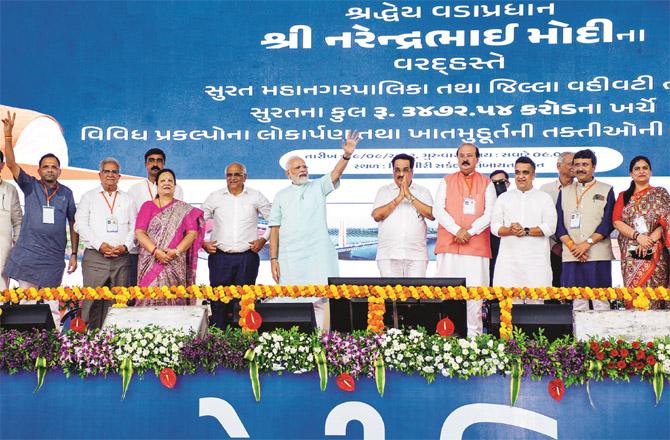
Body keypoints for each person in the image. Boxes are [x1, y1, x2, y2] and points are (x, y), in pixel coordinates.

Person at [268, 131, 361, 330]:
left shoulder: (318, 186)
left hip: (318, 254)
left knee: (321, 299)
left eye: (304, 166)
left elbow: (335, 174)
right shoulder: (281, 195)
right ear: (288, 173)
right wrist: (273, 260)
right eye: (297, 167)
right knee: (292, 299)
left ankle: (323, 344)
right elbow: (274, 229)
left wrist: (346, 155)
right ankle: (294, 344)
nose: (303, 170)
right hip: (290, 257)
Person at [2, 111, 78, 326]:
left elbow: (74, 223)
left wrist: (73, 253)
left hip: (52, 260)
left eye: (54, 167)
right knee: (27, 304)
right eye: (46, 166)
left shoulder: (67, 193)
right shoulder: (30, 186)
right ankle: (26, 348)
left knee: (52, 305)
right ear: (39, 170)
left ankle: (51, 348)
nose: (50, 170)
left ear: (59, 171)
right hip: (28, 256)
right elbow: (11, 164)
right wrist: (8, 137)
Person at [433, 143, 496, 337]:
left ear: (477, 159)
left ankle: (475, 341)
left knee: (475, 298)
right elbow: (438, 210)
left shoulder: (487, 183)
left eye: (469, 155)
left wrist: (470, 231)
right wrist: (456, 230)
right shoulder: (446, 181)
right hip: (449, 245)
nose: (465, 159)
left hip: (476, 247)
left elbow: (490, 213)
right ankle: (447, 339)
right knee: (447, 295)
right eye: (461, 155)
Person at [202, 163, 272, 328]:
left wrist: (263, 240)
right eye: (229, 175)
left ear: (244, 177)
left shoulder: (256, 196)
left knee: (245, 303)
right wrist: (202, 243)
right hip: (219, 258)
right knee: (218, 303)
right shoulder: (215, 197)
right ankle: (219, 344)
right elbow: (197, 222)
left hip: (247, 258)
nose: (232, 178)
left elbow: (274, 220)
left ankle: (244, 344)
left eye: (237, 174)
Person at [75, 158, 137, 327]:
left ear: (119, 176)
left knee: (119, 302)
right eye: (107, 171)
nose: (110, 175)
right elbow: (80, 224)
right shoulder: (88, 197)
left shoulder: (128, 199)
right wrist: (100, 245)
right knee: (91, 301)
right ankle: (91, 344)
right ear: (100, 175)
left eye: (114, 172)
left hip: (121, 258)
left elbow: (135, 226)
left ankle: (117, 342)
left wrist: (125, 246)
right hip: (95, 257)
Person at [556, 149, 615, 311]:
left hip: (597, 254)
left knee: (600, 300)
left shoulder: (606, 189)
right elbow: (559, 224)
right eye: (577, 165)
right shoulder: (564, 191)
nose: (580, 168)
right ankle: (579, 337)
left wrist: (586, 244)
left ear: (593, 167)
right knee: (577, 301)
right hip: (572, 254)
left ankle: (603, 336)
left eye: (585, 165)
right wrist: (574, 247)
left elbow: (608, 223)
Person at [134, 169, 204, 304]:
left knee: (174, 298)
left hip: (175, 261)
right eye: (162, 180)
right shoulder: (147, 206)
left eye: (170, 180)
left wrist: (176, 251)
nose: (166, 183)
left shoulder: (184, 209)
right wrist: (155, 251)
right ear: (156, 185)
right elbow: (139, 232)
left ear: (175, 186)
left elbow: (192, 233)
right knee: (148, 298)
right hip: (150, 260)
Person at [491, 157, 557, 301]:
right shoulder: (504, 198)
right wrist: (510, 230)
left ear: (533, 175)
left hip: (536, 262)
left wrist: (525, 231)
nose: (521, 176)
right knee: (508, 308)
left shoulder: (544, 198)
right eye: (517, 172)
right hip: (509, 263)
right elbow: (494, 227)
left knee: (536, 308)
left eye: (525, 172)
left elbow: (550, 227)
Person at [613, 156, 669, 308]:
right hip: (632, 250)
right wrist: (638, 237)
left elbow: (666, 221)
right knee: (635, 292)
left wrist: (649, 240)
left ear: (650, 172)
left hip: (655, 248)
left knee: (656, 292)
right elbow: (617, 221)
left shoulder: (660, 193)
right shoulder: (623, 196)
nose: (641, 171)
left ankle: (660, 330)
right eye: (637, 168)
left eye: (645, 168)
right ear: (631, 174)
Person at [128, 148, 184, 285]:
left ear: (163, 164)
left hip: (168, 252)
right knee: (143, 292)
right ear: (145, 164)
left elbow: (178, 220)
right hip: (143, 250)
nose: (155, 164)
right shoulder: (134, 190)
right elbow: (133, 222)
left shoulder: (177, 189)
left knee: (170, 292)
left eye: (159, 161)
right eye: (151, 160)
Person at [372, 153, 434, 277]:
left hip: (417, 255)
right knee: (390, 296)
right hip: (388, 254)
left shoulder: (423, 191)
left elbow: (431, 215)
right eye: (397, 170)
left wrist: (409, 196)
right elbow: (376, 216)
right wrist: (399, 198)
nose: (401, 174)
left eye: (405, 170)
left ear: (412, 172)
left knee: (415, 295)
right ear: (393, 171)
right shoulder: (384, 191)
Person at [540, 152, 574, 287]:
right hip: (553, 248)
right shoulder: (545, 190)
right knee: (553, 290)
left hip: (576, 248)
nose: (574, 167)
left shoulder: (581, 189)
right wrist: (553, 246)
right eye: (571, 163)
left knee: (576, 291)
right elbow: (539, 222)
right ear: (558, 166)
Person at [0, 149, 23, 291]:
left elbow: (18, 221)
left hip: (3, 253)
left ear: (2, 165)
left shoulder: (10, 190)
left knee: (2, 293)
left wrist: (18, 248)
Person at [488, 169, 510, 285]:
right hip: (491, 243)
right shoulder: (486, 201)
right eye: (494, 183)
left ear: (508, 183)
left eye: (501, 182)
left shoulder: (516, 199)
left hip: (511, 243)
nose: (498, 186)